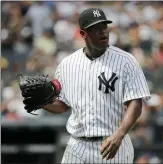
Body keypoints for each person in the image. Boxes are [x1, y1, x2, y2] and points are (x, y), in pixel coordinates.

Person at [43, 8, 151, 164]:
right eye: (96, 29)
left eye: (104, 27)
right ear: (83, 34)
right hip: (77, 144)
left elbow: (135, 103)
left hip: (113, 144)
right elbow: (62, 105)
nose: (103, 33)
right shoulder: (67, 64)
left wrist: (120, 134)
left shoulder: (126, 61)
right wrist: (42, 103)